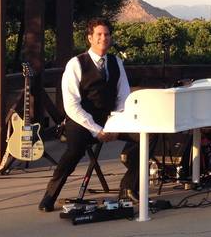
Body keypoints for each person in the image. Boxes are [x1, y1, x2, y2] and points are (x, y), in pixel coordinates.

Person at [38, 17, 142, 212]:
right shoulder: (76, 64)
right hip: (82, 121)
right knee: (74, 151)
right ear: (90, 38)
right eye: (99, 34)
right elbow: (71, 105)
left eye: (107, 34)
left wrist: (113, 123)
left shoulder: (116, 62)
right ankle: (49, 196)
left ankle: (128, 187)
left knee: (148, 136)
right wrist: (97, 130)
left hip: (110, 119)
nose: (104, 38)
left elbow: (123, 97)